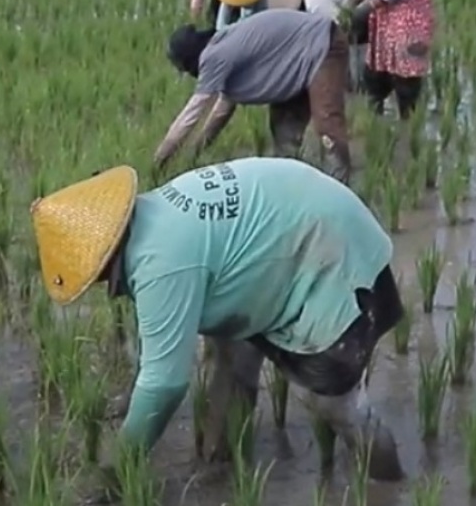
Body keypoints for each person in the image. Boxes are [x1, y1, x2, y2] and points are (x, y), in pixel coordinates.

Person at [28, 157, 406, 503]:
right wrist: (132, 400)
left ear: (106, 258)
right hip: (293, 227)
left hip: (331, 250)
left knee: (334, 403)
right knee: (230, 356)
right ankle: (222, 463)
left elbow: (164, 384)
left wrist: (117, 471)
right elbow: (159, 340)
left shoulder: (161, 262)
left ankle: (388, 483)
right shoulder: (151, 220)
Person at [159, 8, 353, 180]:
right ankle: (292, 185)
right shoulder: (223, 52)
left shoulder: (214, 55)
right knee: (284, 131)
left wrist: (160, 158)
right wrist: (196, 151)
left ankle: (340, 186)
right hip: (294, 60)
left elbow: (192, 114)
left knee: (327, 121)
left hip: (323, 43)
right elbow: (221, 112)